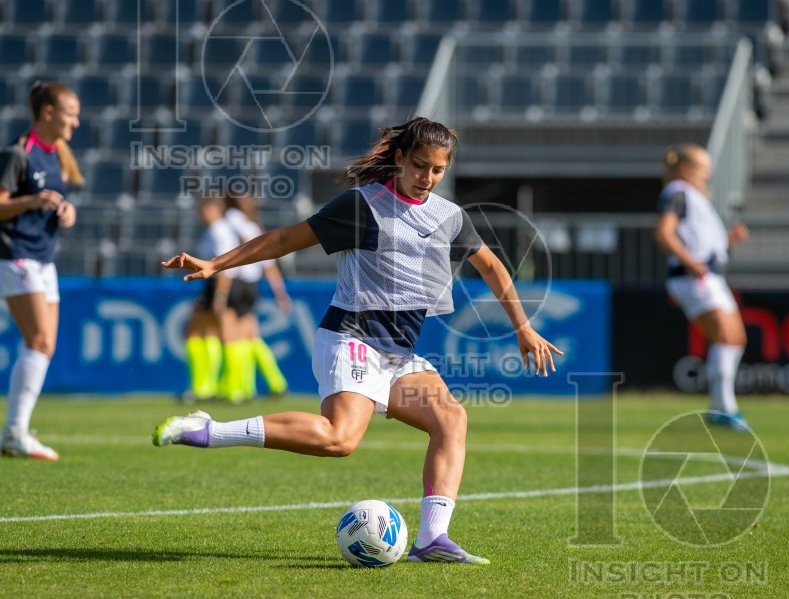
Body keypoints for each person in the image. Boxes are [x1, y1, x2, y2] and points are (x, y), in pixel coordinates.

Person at [153, 117, 563, 564]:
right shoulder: (362, 205)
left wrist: (522, 327)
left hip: (398, 353)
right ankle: (208, 430)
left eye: (438, 170)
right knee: (339, 439)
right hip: (352, 338)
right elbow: (286, 238)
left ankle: (431, 541)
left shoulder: (449, 216)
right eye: (420, 165)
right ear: (401, 158)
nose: (427, 178)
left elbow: (492, 267)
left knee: (451, 420)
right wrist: (217, 264)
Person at [0, 82, 82, 460]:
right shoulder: (18, 154)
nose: (76, 123)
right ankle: (15, 432)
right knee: (40, 341)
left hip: (44, 259)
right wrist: (31, 200)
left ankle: (16, 431)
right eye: (70, 114)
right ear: (47, 112)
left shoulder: (59, 155)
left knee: (43, 345)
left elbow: (66, 202)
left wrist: (66, 213)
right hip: (16, 255)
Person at [654, 144, 751, 431]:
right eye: (702, 167)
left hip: (710, 276)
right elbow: (663, 233)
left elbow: (702, 240)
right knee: (724, 337)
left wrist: (728, 240)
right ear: (685, 168)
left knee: (735, 339)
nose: (707, 173)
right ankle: (724, 408)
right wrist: (689, 260)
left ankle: (722, 407)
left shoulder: (694, 197)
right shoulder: (678, 192)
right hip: (693, 277)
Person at [223, 192, 290, 399]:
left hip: (236, 280)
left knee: (231, 337)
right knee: (251, 337)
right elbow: (269, 265)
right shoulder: (253, 226)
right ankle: (275, 382)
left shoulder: (230, 220)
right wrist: (280, 293)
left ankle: (238, 388)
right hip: (253, 284)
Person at [182, 195, 241, 403]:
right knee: (210, 333)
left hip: (220, 285)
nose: (201, 215)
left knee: (210, 333)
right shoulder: (215, 230)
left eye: (204, 210)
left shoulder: (219, 231)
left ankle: (211, 387)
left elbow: (225, 267)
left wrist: (220, 296)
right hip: (215, 285)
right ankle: (216, 387)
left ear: (215, 209)